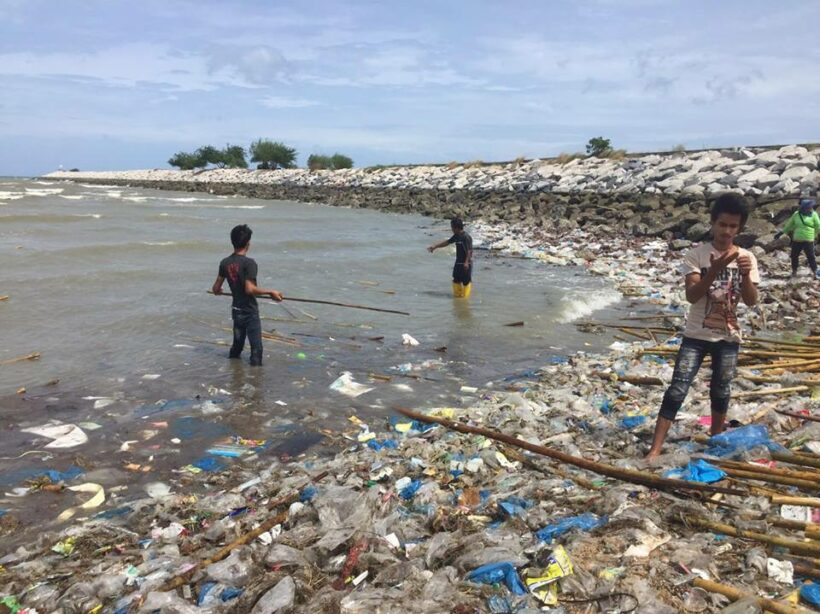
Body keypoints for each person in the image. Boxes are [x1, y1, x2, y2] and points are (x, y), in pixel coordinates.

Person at [646, 193, 760, 459]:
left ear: (740, 228)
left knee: (721, 390)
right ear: (713, 223)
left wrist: (743, 274)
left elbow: (752, 301)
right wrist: (714, 270)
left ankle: (715, 440)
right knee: (677, 389)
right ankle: (655, 449)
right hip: (696, 335)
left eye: (733, 226)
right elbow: (692, 296)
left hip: (729, 337)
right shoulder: (696, 255)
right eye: (723, 225)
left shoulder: (747, 258)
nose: (727, 231)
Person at [212, 224, 283, 366]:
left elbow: (215, 288)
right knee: (256, 349)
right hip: (249, 312)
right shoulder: (249, 263)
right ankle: (256, 380)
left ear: (232, 242)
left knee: (237, 346)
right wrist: (271, 292)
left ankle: (234, 373)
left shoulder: (224, 262)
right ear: (248, 243)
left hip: (236, 311)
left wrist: (218, 292)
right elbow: (250, 289)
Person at [428, 218, 473, 298]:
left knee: (466, 282)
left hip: (466, 263)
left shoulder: (466, 237)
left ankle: (465, 300)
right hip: (458, 262)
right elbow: (447, 242)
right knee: (456, 280)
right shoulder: (456, 236)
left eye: (452, 227)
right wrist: (435, 246)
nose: (451, 229)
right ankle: (458, 299)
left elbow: (469, 251)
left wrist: (466, 262)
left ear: (457, 228)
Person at [775, 198, 820, 278]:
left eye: (811, 207)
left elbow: (818, 226)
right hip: (797, 239)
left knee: (810, 256)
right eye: (809, 207)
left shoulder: (814, 214)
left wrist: (817, 235)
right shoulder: (796, 214)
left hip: (808, 239)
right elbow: (789, 225)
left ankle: (814, 272)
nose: (811, 208)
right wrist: (781, 233)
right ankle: (794, 271)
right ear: (804, 208)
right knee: (794, 256)